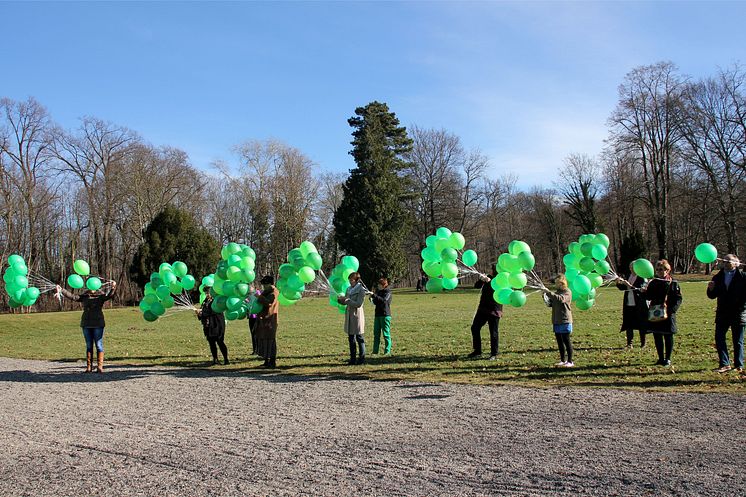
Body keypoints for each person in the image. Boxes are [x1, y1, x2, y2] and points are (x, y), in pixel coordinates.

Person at [57, 280, 118, 373]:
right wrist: (62, 290)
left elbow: (110, 296)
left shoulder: (101, 296)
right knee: (89, 346)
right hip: (86, 324)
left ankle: (99, 366)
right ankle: (89, 367)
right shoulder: (84, 296)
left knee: (98, 345)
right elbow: (73, 297)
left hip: (98, 323)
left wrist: (113, 287)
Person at [637, 259, 682, 367]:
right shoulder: (654, 282)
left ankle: (668, 358)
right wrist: (643, 293)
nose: (659, 272)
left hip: (668, 312)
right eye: (657, 270)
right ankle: (660, 358)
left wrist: (671, 310)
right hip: (655, 312)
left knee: (668, 336)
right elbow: (649, 296)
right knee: (657, 335)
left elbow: (678, 298)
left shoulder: (673, 283)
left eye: (661, 269)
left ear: (667, 270)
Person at [706, 254, 746, 373]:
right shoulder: (718, 277)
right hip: (722, 312)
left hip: (738, 313)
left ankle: (738, 365)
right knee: (719, 338)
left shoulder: (743, 276)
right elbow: (712, 296)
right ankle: (724, 363)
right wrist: (711, 289)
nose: (726, 263)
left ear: (736, 263)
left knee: (738, 340)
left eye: (729, 261)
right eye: (725, 261)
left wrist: (741, 307)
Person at [468, 270, 503, 360]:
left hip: (495, 309)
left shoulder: (503, 279)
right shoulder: (488, 277)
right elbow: (476, 286)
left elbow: (500, 290)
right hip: (483, 309)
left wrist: (490, 282)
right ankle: (477, 351)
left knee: (493, 332)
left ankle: (494, 354)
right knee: (475, 328)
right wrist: (481, 279)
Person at [542, 274, 574, 367]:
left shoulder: (567, 292)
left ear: (562, 283)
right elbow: (552, 303)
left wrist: (548, 292)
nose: (556, 285)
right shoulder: (557, 292)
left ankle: (570, 361)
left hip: (565, 320)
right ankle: (562, 360)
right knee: (559, 341)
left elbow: (560, 299)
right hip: (556, 320)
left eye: (557, 283)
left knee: (566, 340)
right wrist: (545, 298)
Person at [337, 271, 368, 365]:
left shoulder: (361, 290)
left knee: (359, 337)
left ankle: (362, 359)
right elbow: (346, 301)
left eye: (352, 280)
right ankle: (352, 359)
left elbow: (359, 304)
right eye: (349, 280)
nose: (350, 282)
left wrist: (348, 300)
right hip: (349, 315)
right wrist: (340, 300)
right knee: (351, 338)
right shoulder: (348, 289)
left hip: (357, 316)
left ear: (357, 280)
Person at [616, 263, 649, 349]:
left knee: (641, 324)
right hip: (629, 304)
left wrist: (629, 285)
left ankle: (643, 343)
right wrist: (618, 283)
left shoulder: (642, 278)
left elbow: (641, 290)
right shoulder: (629, 276)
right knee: (629, 324)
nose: (631, 269)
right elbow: (623, 288)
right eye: (630, 267)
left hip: (639, 305)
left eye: (633, 267)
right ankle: (629, 343)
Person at [196, 287, 228, 365]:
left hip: (217, 324)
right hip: (208, 325)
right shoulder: (205, 301)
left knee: (220, 341)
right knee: (211, 342)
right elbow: (203, 314)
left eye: (208, 292)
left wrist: (202, 313)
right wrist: (199, 314)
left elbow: (214, 311)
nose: (207, 294)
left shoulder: (217, 301)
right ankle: (215, 359)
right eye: (206, 293)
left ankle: (226, 359)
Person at [254, 274, 279, 368]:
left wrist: (259, 297)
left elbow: (269, 303)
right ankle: (266, 361)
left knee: (270, 341)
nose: (263, 286)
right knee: (264, 340)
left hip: (270, 319)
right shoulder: (267, 291)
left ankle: (272, 362)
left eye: (265, 284)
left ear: (269, 284)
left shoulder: (274, 292)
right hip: (264, 319)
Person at [370, 277, 393, 355]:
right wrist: (371, 298)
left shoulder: (388, 292)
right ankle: (375, 351)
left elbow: (384, 301)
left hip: (385, 315)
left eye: (379, 285)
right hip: (377, 315)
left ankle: (387, 351)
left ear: (384, 285)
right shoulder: (379, 292)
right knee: (376, 334)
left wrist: (374, 295)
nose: (378, 286)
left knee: (386, 334)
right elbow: (376, 302)